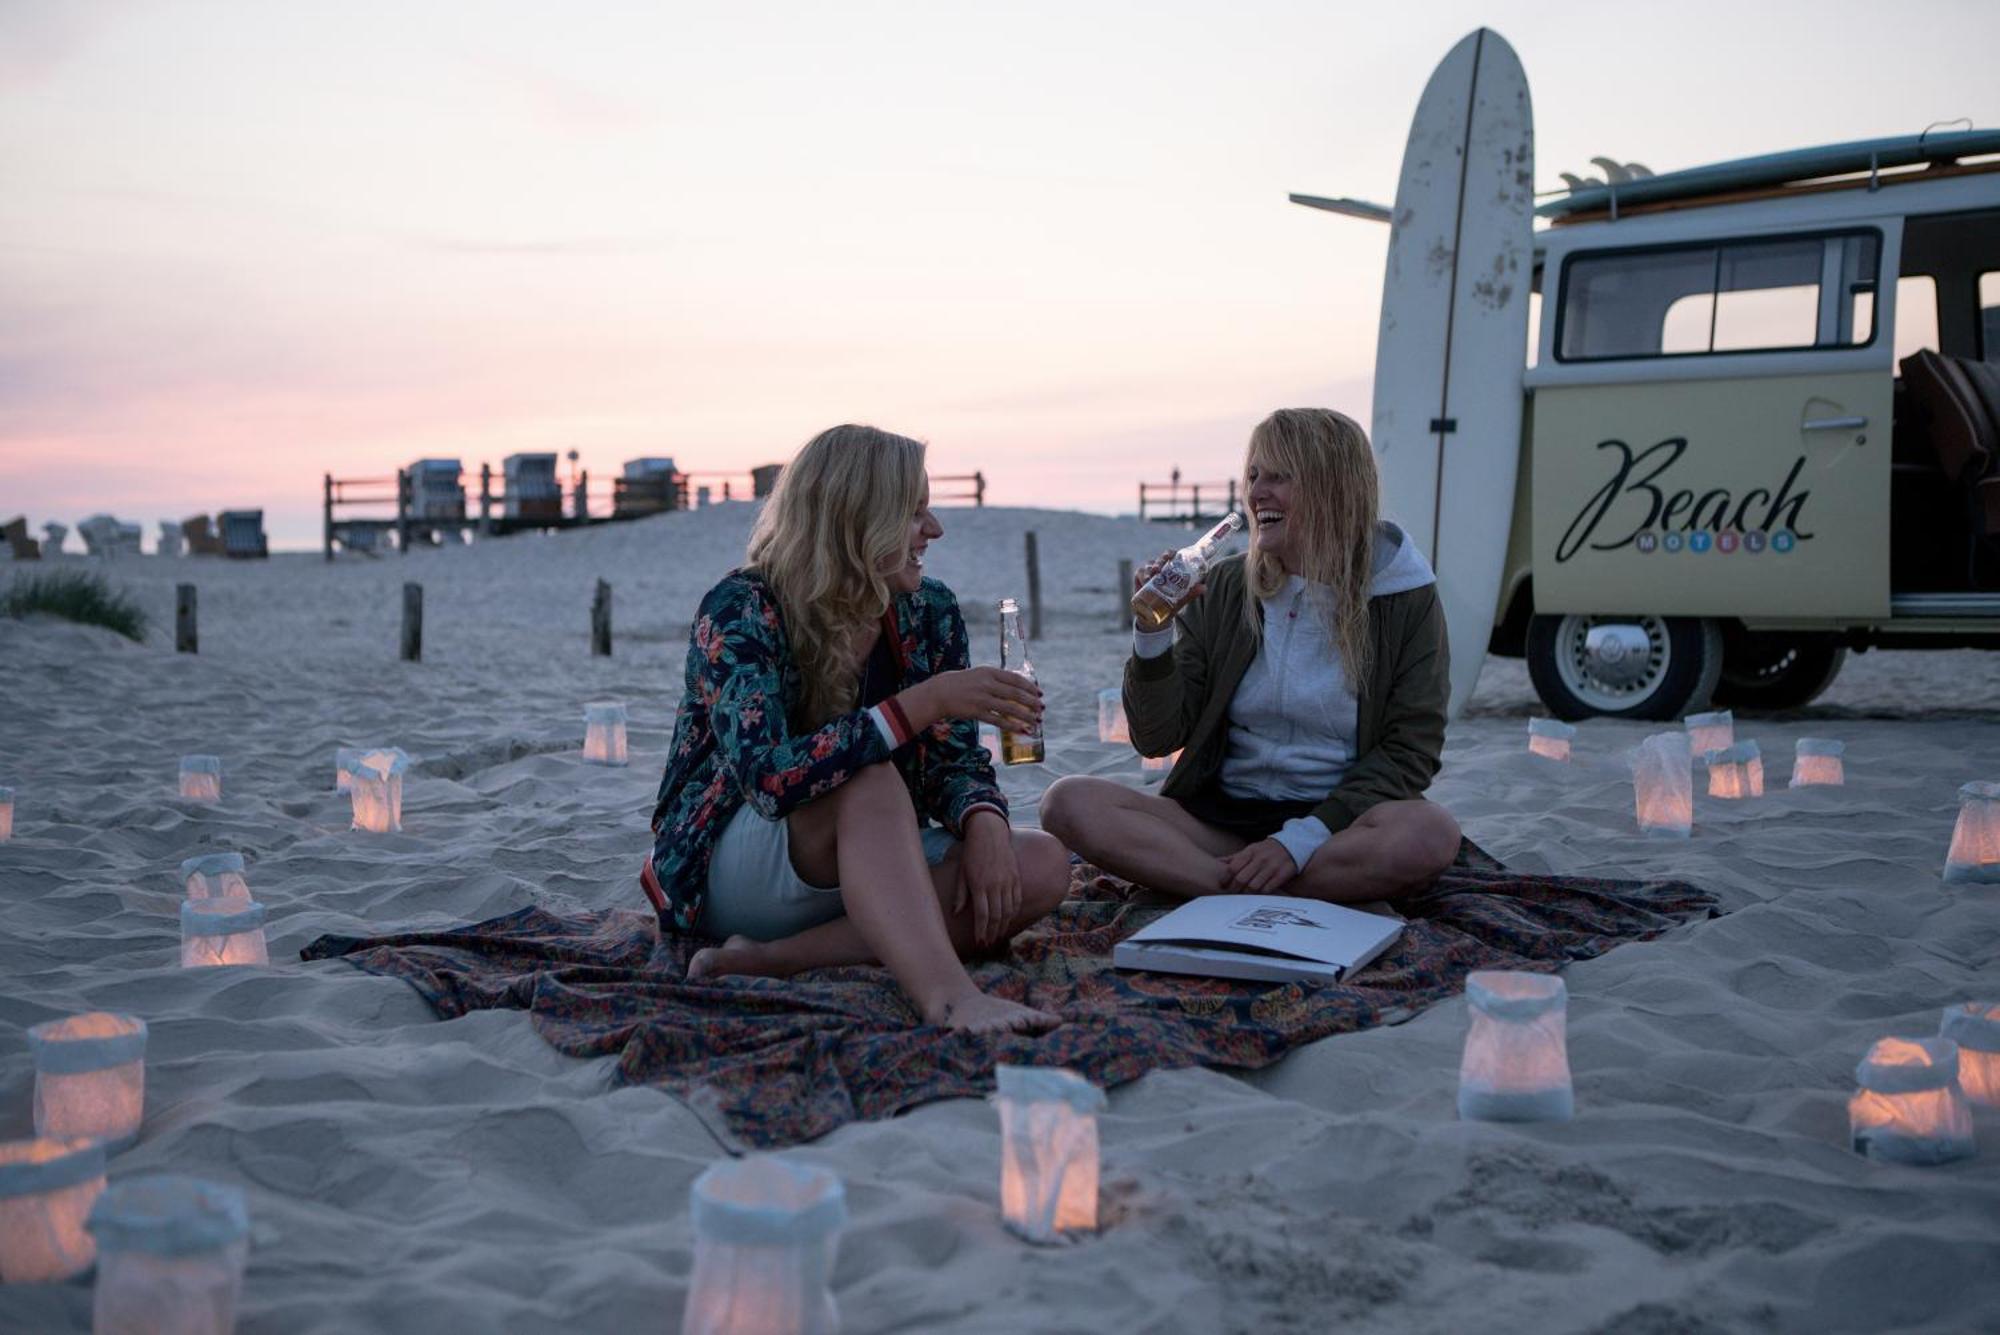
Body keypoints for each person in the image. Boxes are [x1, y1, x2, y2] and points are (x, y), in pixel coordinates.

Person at [642, 424, 1069, 1034]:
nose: (935, 530)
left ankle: (772, 961)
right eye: (913, 513)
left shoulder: (928, 610)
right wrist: (921, 705)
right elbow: (768, 779)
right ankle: (949, 997)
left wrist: (985, 822)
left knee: (1043, 863)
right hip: (741, 864)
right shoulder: (741, 610)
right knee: (867, 780)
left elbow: (954, 762)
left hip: (872, 859)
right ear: (855, 521)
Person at [1041, 408, 1461, 903]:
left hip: (1336, 826)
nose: (1257, 492)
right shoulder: (1225, 586)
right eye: (1254, 475)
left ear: (1334, 486)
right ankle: (1249, 889)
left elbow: (1411, 750)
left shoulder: (1403, 596)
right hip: (1220, 822)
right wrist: (1152, 634)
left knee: (1430, 833)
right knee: (1066, 803)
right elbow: (1157, 738)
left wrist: (1297, 842)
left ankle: (1217, 886)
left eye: (1279, 476)